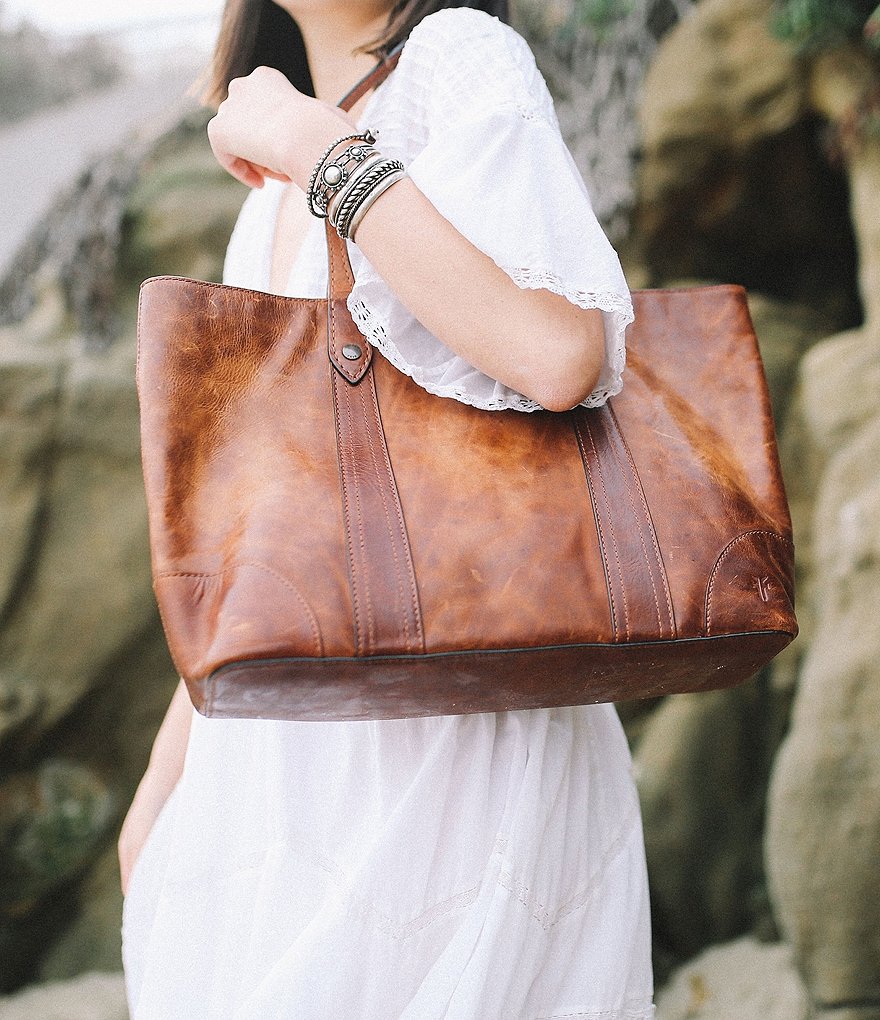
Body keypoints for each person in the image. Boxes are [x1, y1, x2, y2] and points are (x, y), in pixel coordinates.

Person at [119, 1, 655, 1017]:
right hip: (274, 750)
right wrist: (166, 777)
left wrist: (318, 148)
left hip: (451, 733)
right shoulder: (261, 192)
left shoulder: (456, 59)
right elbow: (252, 534)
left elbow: (556, 352)